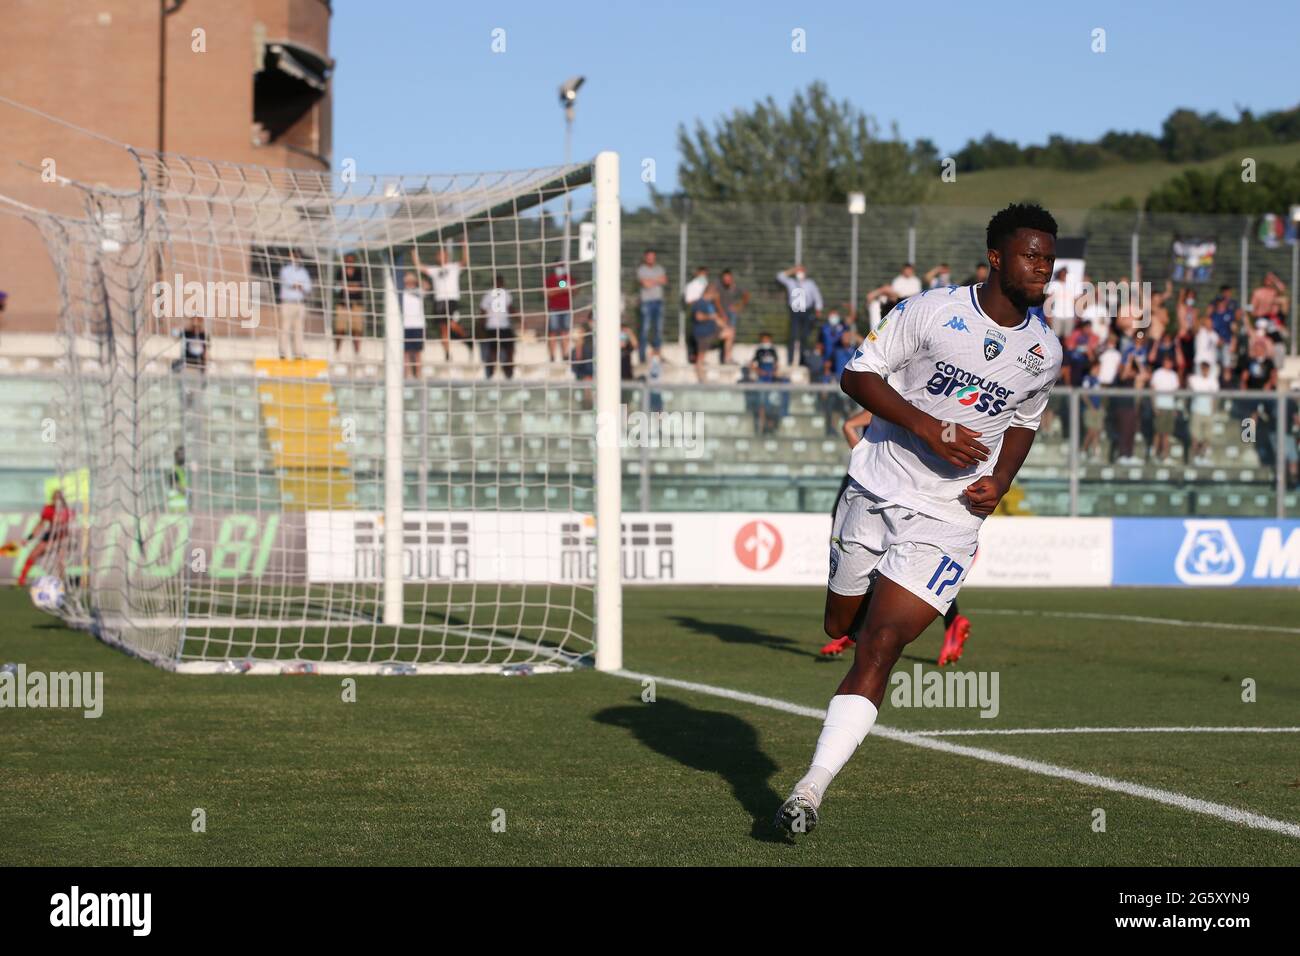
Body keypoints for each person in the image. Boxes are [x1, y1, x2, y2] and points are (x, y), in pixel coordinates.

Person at [775, 202, 1063, 836]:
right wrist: (929, 426)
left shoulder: (1045, 350)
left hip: (950, 515)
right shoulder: (929, 311)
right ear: (996, 258)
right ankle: (871, 591)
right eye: (1030, 255)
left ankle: (810, 788)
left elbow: (1024, 422)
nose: (1042, 267)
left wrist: (1000, 481)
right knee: (839, 622)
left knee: (881, 645)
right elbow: (858, 375)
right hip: (874, 487)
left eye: (1048, 257)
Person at [822, 406, 974, 667]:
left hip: (880, 482)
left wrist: (850, 424)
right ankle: (856, 622)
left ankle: (858, 623)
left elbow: (892, 406)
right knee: (870, 552)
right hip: (872, 474)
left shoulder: (896, 390)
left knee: (878, 553)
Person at [414, 239, 471, 361]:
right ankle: (447, 353)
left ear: (446, 256)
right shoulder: (435, 270)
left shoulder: (454, 267)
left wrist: (464, 246)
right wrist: (413, 250)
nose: (438, 256)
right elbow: (419, 266)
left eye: (441, 254)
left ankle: (466, 337)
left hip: (451, 300)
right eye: (438, 254)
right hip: (438, 301)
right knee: (443, 329)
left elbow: (465, 261)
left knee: (450, 323)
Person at [16, 489, 73, 588]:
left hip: (63, 538)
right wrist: (29, 538)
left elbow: (72, 526)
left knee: (61, 561)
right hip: (50, 537)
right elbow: (40, 525)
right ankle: (21, 578)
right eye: (55, 498)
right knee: (33, 554)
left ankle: (62, 583)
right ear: (52, 499)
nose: (57, 500)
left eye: (59, 498)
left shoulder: (68, 511)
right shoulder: (48, 509)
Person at [776, 264, 824, 366]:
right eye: (799, 271)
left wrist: (818, 310)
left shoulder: (810, 283)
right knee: (793, 336)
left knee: (804, 336)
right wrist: (792, 270)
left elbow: (817, 296)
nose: (800, 273)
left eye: (802, 271)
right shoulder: (791, 282)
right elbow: (779, 276)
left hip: (807, 312)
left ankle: (802, 361)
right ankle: (790, 360)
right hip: (795, 312)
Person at [689, 283, 735, 380]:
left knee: (729, 333)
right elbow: (698, 316)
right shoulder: (700, 303)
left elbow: (716, 318)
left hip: (712, 332)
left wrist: (725, 326)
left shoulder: (710, 304)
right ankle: (701, 379)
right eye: (715, 294)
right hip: (702, 334)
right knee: (700, 359)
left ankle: (727, 359)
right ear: (711, 293)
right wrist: (710, 316)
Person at [479, 275, 516, 380]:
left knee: (509, 350)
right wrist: (481, 326)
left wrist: (520, 319)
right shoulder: (491, 294)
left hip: (502, 326)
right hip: (494, 327)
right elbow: (483, 311)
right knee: (494, 352)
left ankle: (507, 373)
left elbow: (510, 308)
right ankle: (491, 373)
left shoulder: (500, 294)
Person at [277, 249, 312, 360]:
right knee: (285, 328)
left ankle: (298, 353)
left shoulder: (303, 272)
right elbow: (288, 283)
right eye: (294, 255)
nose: (296, 257)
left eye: (298, 255)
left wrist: (299, 285)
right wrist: (298, 285)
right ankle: (282, 352)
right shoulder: (285, 270)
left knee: (299, 329)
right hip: (287, 303)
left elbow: (308, 287)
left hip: (300, 304)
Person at [635, 249, 668, 363]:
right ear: (645, 257)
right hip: (647, 303)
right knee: (645, 330)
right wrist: (656, 280)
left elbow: (664, 280)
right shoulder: (641, 269)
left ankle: (657, 355)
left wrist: (651, 280)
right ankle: (642, 357)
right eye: (649, 257)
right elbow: (646, 284)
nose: (651, 259)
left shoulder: (659, 268)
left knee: (658, 330)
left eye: (653, 256)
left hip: (658, 302)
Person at [1149, 354, 1180, 462]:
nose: (1168, 364)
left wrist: (1175, 408)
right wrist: (1154, 406)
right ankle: (1154, 454)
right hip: (1160, 406)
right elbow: (1153, 390)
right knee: (1158, 432)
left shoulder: (1174, 375)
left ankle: (1165, 455)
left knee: (1167, 433)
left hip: (1170, 407)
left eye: (1170, 362)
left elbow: (1175, 394)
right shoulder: (1158, 373)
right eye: (1167, 361)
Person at [1187, 360, 1219, 465]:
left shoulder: (1213, 381)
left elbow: (1214, 398)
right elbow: (1189, 389)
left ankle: (1203, 456)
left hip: (1208, 412)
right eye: (1203, 368)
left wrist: (1213, 412)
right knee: (1195, 437)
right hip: (1196, 411)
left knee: (1207, 437)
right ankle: (1195, 457)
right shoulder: (1194, 379)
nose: (1205, 370)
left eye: (1206, 368)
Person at [334, 253, 365, 357]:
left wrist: (347, 286)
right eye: (348, 260)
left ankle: (357, 353)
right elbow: (338, 288)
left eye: (351, 260)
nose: (349, 262)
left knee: (357, 330)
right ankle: (337, 352)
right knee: (340, 330)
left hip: (356, 305)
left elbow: (359, 287)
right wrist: (350, 287)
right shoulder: (340, 272)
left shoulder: (359, 272)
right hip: (343, 305)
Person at [398, 269, 427, 378]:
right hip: (404, 325)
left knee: (417, 352)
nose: (409, 282)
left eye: (412, 280)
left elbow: (426, 285)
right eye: (407, 280)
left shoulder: (419, 292)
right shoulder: (401, 292)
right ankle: (407, 374)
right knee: (405, 352)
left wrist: (416, 280)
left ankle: (418, 374)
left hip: (418, 325)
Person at [717, 268, 749, 360]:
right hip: (721, 314)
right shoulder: (719, 287)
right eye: (725, 279)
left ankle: (728, 357)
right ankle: (725, 356)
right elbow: (717, 301)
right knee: (725, 334)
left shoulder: (736, 287)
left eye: (728, 279)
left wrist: (740, 306)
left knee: (731, 334)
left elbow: (746, 295)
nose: (727, 281)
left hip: (732, 313)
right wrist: (721, 313)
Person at [544, 264, 573, 362]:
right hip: (554, 309)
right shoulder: (550, 279)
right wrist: (561, 290)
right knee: (553, 332)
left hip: (566, 308)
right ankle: (552, 355)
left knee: (565, 331)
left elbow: (573, 290)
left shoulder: (567, 278)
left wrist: (557, 290)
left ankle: (565, 354)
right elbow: (548, 293)